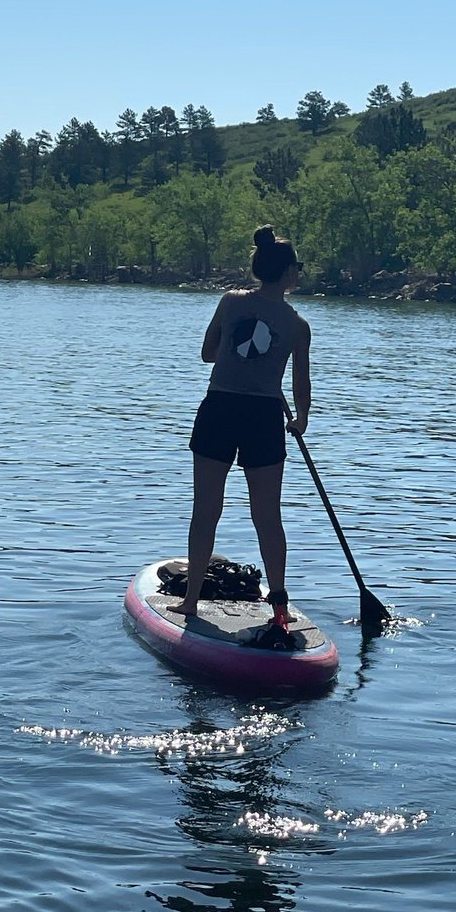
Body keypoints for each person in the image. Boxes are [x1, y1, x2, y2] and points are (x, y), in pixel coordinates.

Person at [171, 225, 311, 635]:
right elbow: (301, 384)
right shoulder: (297, 325)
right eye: (297, 266)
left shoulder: (231, 302)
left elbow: (207, 354)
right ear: (286, 273)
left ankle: (191, 601)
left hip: (220, 409)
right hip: (264, 417)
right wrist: (300, 419)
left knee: (206, 509)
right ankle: (279, 607)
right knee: (267, 516)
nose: (300, 273)